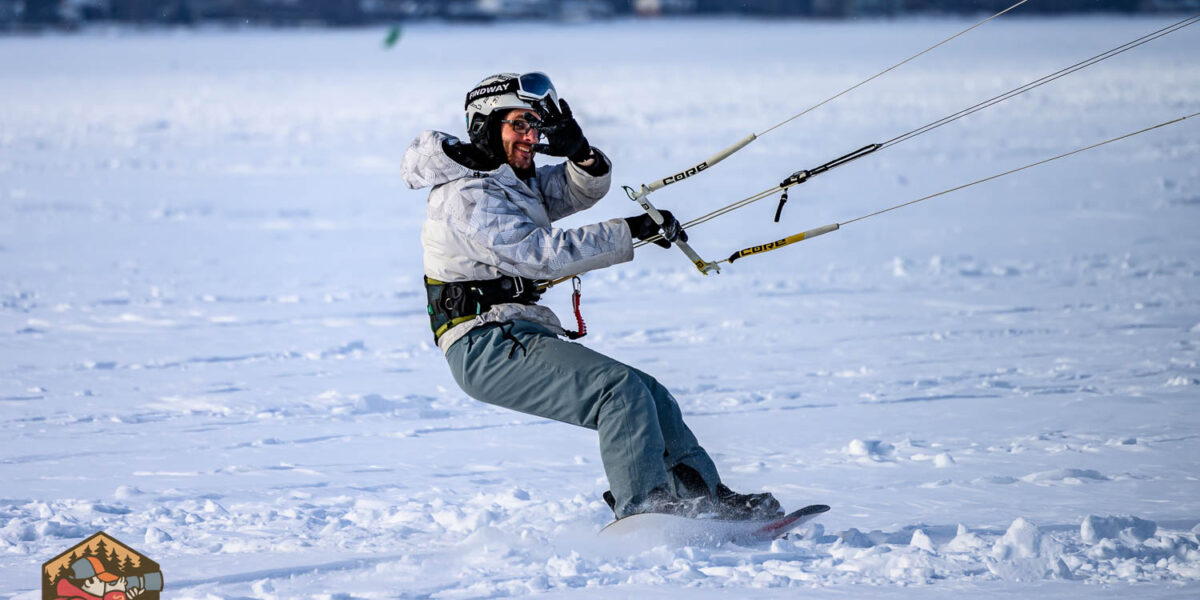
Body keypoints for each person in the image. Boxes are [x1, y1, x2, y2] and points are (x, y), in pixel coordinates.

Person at [401, 72, 782, 520]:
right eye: (519, 125)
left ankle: (708, 501)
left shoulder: (509, 181)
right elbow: (540, 256)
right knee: (618, 393)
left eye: (537, 126)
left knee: (649, 393)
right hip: (484, 345)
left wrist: (579, 152)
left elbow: (575, 190)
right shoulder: (465, 196)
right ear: (486, 127)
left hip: (512, 332)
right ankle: (646, 510)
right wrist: (631, 229)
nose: (532, 137)